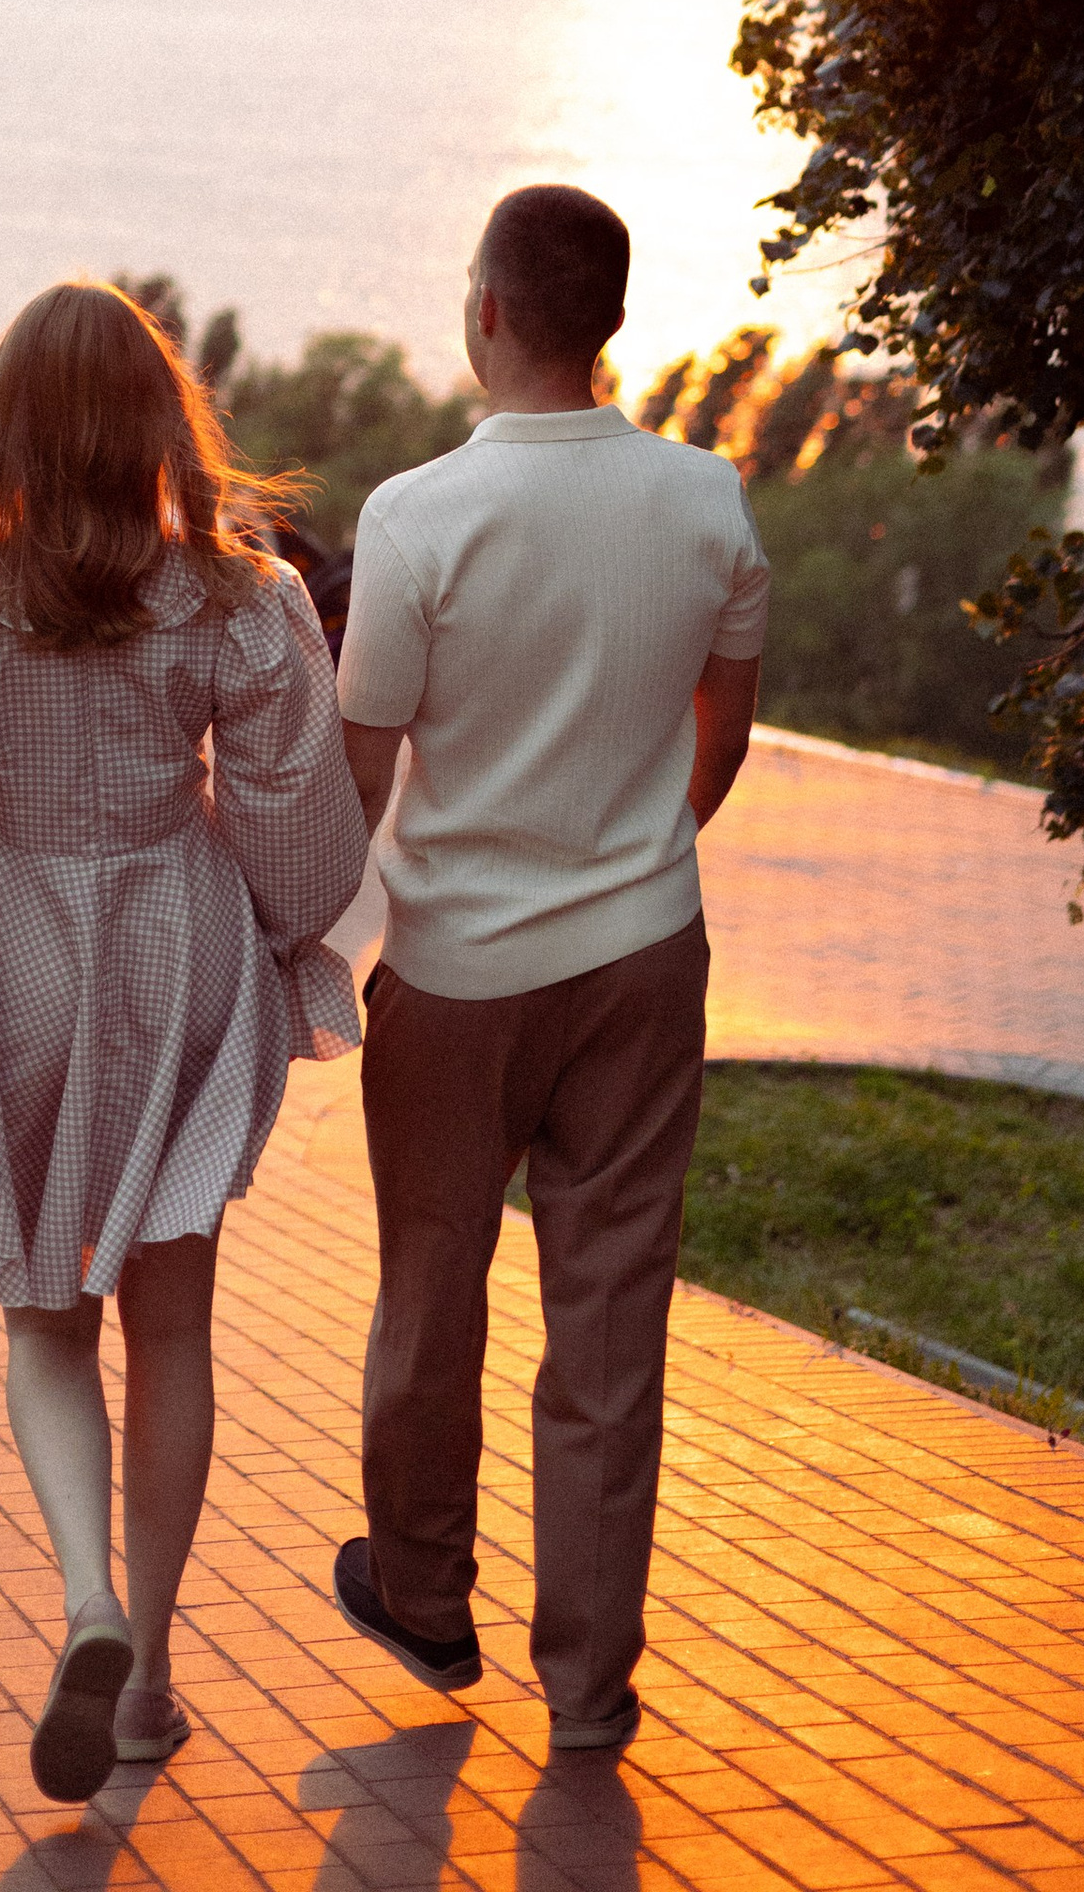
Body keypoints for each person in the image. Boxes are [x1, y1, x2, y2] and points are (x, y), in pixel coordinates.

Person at [0, 280, 368, 1807]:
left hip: (23, 952)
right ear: (160, 421)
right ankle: (149, 1687)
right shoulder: (239, 598)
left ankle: (87, 1604)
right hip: (179, 939)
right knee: (177, 1322)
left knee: (47, 1318)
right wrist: (277, 939)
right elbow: (299, 835)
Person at [330, 184, 768, 1755]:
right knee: (610, 1314)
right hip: (645, 954)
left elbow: (359, 762)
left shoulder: (417, 516)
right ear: (612, 325)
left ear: (492, 313)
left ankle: (427, 1599)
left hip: (456, 974)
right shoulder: (707, 497)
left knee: (431, 1288)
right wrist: (651, 832)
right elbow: (727, 712)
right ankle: (588, 1685)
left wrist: (301, 927)